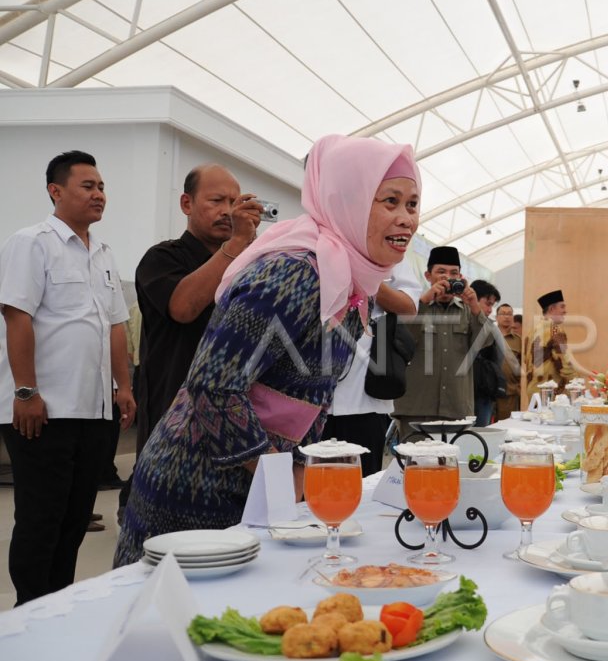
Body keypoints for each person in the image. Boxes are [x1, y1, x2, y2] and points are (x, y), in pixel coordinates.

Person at [114, 135, 421, 566]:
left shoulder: (348, 283)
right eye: (390, 201)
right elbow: (213, 388)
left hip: (256, 492)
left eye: (412, 204)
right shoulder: (293, 273)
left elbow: (310, 398)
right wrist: (282, 479)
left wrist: (296, 478)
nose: (406, 218)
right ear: (347, 200)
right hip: (195, 489)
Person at [0, 150, 136, 604]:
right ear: (55, 192)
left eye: (101, 187)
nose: (99, 194)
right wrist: (26, 392)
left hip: (94, 411)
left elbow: (115, 326)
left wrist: (124, 388)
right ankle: (28, 609)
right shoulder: (31, 242)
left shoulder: (103, 252)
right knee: (41, 516)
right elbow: (17, 318)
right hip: (45, 409)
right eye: (88, 186)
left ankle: (57, 602)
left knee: (76, 517)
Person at [122, 164, 263, 524]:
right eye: (216, 201)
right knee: (168, 518)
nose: (227, 211)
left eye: (235, 202)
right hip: (175, 409)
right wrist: (235, 245)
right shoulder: (162, 258)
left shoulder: (249, 263)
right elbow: (183, 307)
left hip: (236, 412)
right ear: (186, 203)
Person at [323, 263, 420, 475]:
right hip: (308, 398)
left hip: (366, 398)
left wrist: (364, 275)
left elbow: (409, 308)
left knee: (361, 482)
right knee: (311, 486)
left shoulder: (389, 254)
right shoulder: (313, 242)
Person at [391, 246, 491, 439]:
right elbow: (399, 338)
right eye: (441, 272)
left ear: (461, 277)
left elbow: (486, 342)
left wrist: (475, 306)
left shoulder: (468, 310)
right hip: (417, 408)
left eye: (454, 273)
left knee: (451, 465)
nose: (447, 277)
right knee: (415, 465)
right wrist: (424, 302)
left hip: (456, 409)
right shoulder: (413, 305)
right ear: (428, 276)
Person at [523, 290, 581, 398]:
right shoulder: (554, 329)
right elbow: (565, 360)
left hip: (533, 393)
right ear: (551, 309)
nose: (565, 311)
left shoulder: (532, 330)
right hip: (552, 394)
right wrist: (577, 384)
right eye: (562, 307)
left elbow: (525, 360)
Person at [468, 279, 505, 426]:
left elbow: (500, 355)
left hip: (482, 391)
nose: (490, 310)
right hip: (463, 393)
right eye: (488, 304)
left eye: (492, 305)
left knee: (480, 435)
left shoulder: (489, 327)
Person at [493, 303, 523, 421]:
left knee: (506, 427)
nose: (506, 317)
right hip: (489, 390)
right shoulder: (488, 337)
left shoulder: (518, 340)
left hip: (509, 392)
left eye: (509, 314)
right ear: (496, 318)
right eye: (503, 314)